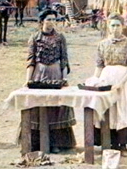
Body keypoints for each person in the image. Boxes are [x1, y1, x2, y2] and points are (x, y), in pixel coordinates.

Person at [21, 10, 76, 153]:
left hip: (55, 73)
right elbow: (30, 60)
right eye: (48, 19)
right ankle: (37, 142)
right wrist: (28, 80)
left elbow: (64, 60)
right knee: (38, 107)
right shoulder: (34, 38)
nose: (51, 22)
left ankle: (56, 143)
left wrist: (64, 78)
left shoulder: (60, 37)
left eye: (54, 20)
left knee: (56, 108)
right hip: (39, 74)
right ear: (42, 22)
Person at [91, 14, 127, 157]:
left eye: (118, 25)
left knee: (123, 108)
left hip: (124, 78)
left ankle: (123, 144)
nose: (115, 28)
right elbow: (99, 65)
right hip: (106, 78)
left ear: (123, 26)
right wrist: (94, 81)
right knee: (107, 109)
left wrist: (121, 83)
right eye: (113, 25)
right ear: (108, 27)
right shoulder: (102, 44)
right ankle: (107, 142)